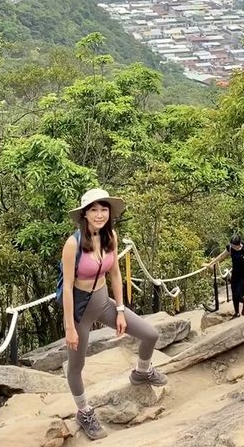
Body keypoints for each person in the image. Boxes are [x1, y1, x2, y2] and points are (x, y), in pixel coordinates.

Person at [61, 188, 167, 441]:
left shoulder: (111, 237)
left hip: (104, 302)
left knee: (150, 334)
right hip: (79, 311)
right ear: (84, 214)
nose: (99, 215)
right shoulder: (73, 243)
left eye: (104, 209)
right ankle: (84, 411)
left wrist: (120, 310)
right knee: (76, 366)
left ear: (110, 213)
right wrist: (69, 327)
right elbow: (66, 286)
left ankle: (142, 372)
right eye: (94, 210)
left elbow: (115, 274)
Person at [206, 235, 244, 317]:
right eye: (231, 245)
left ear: (238, 245)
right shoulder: (230, 248)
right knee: (234, 293)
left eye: (233, 245)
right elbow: (221, 257)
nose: (231, 247)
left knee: (238, 293)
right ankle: (237, 313)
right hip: (235, 273)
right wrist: (211, 264)